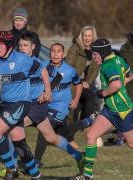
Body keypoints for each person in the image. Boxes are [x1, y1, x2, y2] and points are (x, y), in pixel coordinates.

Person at [0, 31, 43, 180]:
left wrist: (48, 91)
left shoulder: (21, 59)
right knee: (18, 141)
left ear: (9, 46)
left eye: (0, 44)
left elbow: (42, 69)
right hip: (5, 104)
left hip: (20, 103)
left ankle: (11, 168)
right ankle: (37, 175)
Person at [72, 38, 133, 180]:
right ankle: (87, 174)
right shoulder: (118, 59)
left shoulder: (107, 65)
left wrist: (102, 93)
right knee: (91, 136)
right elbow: (129, 76)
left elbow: (117, 84)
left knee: (131, 144)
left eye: (94, 55)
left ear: (102, 53)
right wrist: (119, 85)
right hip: (110, 109)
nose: (93, 58)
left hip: (122, 111)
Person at [33, 42, 84, 172]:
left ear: (63, 54)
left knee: (44, 131)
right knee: (59, 133)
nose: (55, 54)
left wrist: (76, 99)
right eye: (53, 51)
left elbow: (79, 84)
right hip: (44, 104)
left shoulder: (70, 70)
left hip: (60, 106)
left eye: (58, 51)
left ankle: (36, 162)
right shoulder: (43, 66)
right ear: (49, 53)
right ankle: (79, 155)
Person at [66, 25, 100, 147]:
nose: (87, 38)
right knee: (73, 111)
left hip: (86, 85)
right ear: (81, 36)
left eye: (89, 36)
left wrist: (88, 82)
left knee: (87, 101)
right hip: (73, 83)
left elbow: (96, 68)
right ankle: (70, 138)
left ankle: (85, 126)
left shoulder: (96, 51)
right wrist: (78, 81)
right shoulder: (75, 48)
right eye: (85, 35)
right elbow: (68, 65)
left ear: (93, 37)